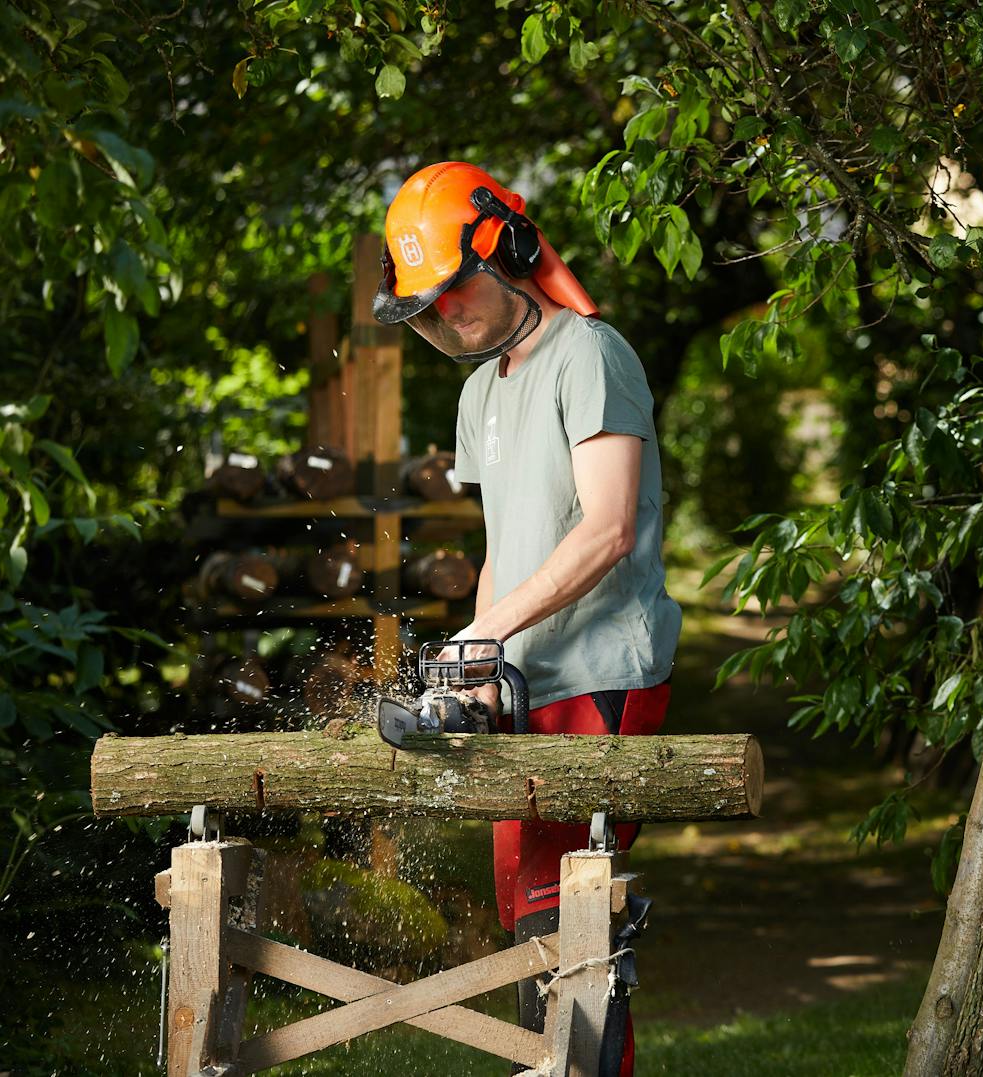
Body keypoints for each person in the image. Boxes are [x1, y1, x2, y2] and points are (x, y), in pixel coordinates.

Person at [373, 161, 681, 1074]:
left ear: (505, 251)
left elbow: (610, 527)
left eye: (457, 289)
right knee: (529, 926)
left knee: (569, 921)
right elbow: (503, 552)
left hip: (602, 675)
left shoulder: (590, 353)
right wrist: (465, 668)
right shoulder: (478, 393)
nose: (448, 314)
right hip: (522, 682)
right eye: (429, 303)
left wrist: (488, 632)